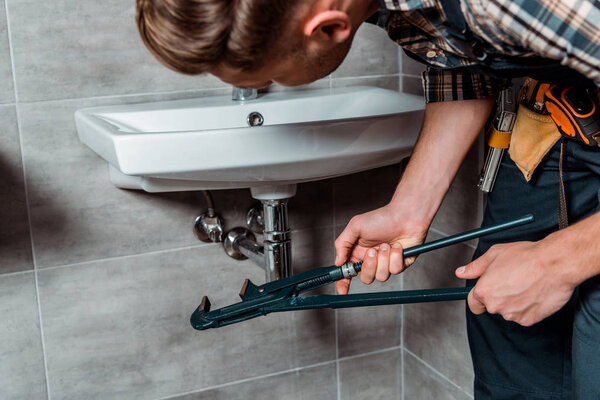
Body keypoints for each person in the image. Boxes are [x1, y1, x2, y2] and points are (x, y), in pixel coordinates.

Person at [135, 0, 600, 397]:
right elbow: (460, 60)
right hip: (558, 125)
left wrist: (556, 263)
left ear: (330, 28)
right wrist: (409, 208)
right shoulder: (386, 6)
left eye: (274, 77)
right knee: (504, 324)